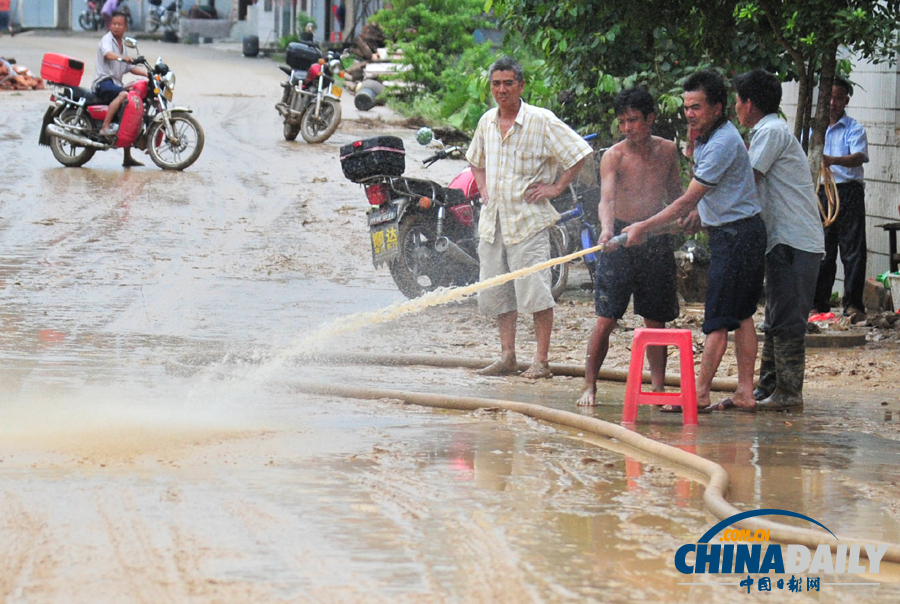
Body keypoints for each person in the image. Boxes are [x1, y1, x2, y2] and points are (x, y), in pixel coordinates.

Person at [622, 71, 766, 413]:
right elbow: (713, 194)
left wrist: (643, 225)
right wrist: (700, 214)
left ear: (717, 107)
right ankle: (745, 391)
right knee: (742, 315)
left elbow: (687, 199)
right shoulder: (708, 136)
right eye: (687, 107)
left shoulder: (722, 142)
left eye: (697, 107)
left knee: (718, 318)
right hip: (737, 230)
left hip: (737, 236)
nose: (690, 114)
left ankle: (699, 395)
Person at [466, 56, 592, 379]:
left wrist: (556, 187)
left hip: (529, 222)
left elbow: (579, 152)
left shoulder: (541, 120)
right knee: (498, 292)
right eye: (496, 83)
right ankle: (508, 356)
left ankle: (542, 360)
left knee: (536, 292)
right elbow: (475, 160)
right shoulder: (486, 122)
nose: (502, 89)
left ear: (521, 86)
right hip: (494, 223)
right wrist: (482, 188)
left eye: (509, 83)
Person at [577, 87, 682, 407]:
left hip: (654, 238)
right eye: (622, 121)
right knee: (605, 318)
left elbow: (677, 195)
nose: (627, 128)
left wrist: (684, 220)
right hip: (619, 239)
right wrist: (607, 232)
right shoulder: (614, 155)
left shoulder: (667, 151)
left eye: (634, 120)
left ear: (650, 118)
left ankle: (660, 390)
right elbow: (606, 199)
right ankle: (589, 385)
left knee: (656, 320)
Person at [733, 69, 825, 411]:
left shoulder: (770, 132)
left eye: (737, 101)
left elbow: (747, 179)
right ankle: (769, 386)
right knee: (775, 315)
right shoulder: (769, 132)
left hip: (793, 240)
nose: (736, 108)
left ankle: (788, 392)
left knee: (786, 318)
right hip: (785, 240)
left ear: (750, 104)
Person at [812, 76, 869, 320]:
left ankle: (853, 305)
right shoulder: (813, 129)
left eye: (838, 98)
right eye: (829, 98)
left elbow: (859, 156)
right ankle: (818, 304)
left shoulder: (854, 128)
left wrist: (832, 160)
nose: (833, 103)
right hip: (821, 192)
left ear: (846, 100)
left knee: (853, 250)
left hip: (848, 192)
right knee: (823, 249)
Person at [91, 12, 147, 168]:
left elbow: (129, 67)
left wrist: (148, 74)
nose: (116, 27)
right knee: (124, 94)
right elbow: (108, 55)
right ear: (110, 25)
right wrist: (121, 58)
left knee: (129, 111)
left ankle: (127, 158)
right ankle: (104, 127)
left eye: (119, 24)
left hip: (114, 83)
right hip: (103, 83)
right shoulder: (106, 40)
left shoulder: (122, 44)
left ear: (125, 27)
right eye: (113, 24)